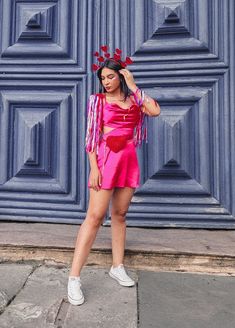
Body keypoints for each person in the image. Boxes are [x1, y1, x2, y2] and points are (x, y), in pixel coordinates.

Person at [67, 46, 161, 305]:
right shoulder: (97, 101)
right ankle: (74, 278)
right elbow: (91, 137)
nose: (106, 82)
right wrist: (94, 168)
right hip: (106, 160)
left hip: (128, 160)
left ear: (121, 75)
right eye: (102, 78)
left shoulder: (135, 101)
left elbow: (155, 110)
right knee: (95, 217)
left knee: (120, 215)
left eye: (110, 76)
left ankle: (117, 266)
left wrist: (134, 84)